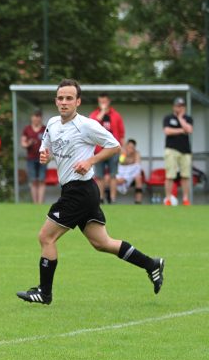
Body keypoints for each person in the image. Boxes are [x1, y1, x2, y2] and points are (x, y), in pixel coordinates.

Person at [16, 79, 164, 306]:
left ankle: (44, 293)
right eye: (60, 98)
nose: (64, 102)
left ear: (78, 101)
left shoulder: (86, 125)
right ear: (56, 101)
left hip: (80, 190)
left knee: (46, 237)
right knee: (102, 243)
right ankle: (151, 264)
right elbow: (51, 151)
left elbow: (115, 146)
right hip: (78, 190)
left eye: (69, 98)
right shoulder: (53, 123)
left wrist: (90, 160)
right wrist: (47, 157)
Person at [89, 93, 125, 204]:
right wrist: (103, 112)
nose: (102, 104)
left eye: (104, 102)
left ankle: (112, 199)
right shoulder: (95, 114)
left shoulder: (116, 115)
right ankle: (100, 198)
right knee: (99, 176)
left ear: (109, 101)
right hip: (99, 150)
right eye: (100, 102)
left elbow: (121, 133)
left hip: (113, 149)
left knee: (113, 175)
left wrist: (122, 149)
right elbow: (92, 126)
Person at [163, 97, 193, 206]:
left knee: (185, 175)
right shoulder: (168, 118)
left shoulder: (188, 118)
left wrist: (180, 118)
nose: (179, 108)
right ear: (174, 106)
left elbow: (189, 129)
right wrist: (181, 130)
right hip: (171, 150)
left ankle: (185, 199)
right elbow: (167, 131)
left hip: (185, 151)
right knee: (170, 175)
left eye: (181, 106)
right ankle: (168, 199)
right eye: (177, 106)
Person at [20, 109, 47, 204]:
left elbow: (50, 142)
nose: (36, 118)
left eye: (38, 116)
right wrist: (29, 143)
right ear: (31, 117)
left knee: (41, 180)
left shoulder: (45, 129)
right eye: (34, 116)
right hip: (30, 158)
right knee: (33, 181)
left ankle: (40, 203)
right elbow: (23, 143)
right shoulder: (27, 129)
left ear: (41, 118)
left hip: (42, 158)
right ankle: (35, 203)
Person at [116, 139, 143, 204]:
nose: (130, 149)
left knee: (138, 177)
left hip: (131, 175)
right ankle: (111, 199)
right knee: (111, 179)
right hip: (121, 173)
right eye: (129, 147)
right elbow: (120, 162)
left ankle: (138, 201)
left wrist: (126, 178)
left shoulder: (136, 153)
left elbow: (137, 167)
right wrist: (125, 154)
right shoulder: (122, 152)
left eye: (132, 147)